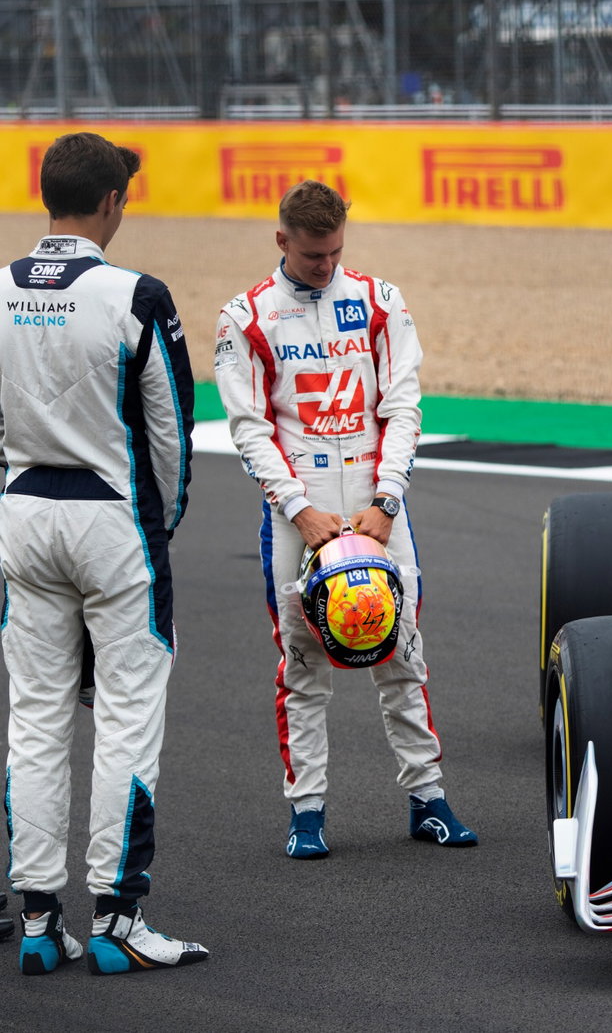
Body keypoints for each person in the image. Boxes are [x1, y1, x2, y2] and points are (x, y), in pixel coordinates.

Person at [213, 180, 478, 859]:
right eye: (310, 256)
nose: (324, 266)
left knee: (403, 647)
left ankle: (429, 799)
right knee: (303, 661)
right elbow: (248, 428)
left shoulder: (380, 302)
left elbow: (404, 405)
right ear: (281, 242)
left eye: (333, 253)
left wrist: (387, 501)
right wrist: (298, 511)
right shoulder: (245, 317)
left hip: (374, 502)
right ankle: (306, 813)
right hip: (296, 510)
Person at [0, 132, 207, 975]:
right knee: (124, 717)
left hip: (20, 516)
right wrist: (165, 527)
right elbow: (173, 437)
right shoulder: (137, 295)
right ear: (114, 202)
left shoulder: (0, 290)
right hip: (114, 523)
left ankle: (41, 920)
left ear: (46, 192)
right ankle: (119, 916)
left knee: (36, 720)